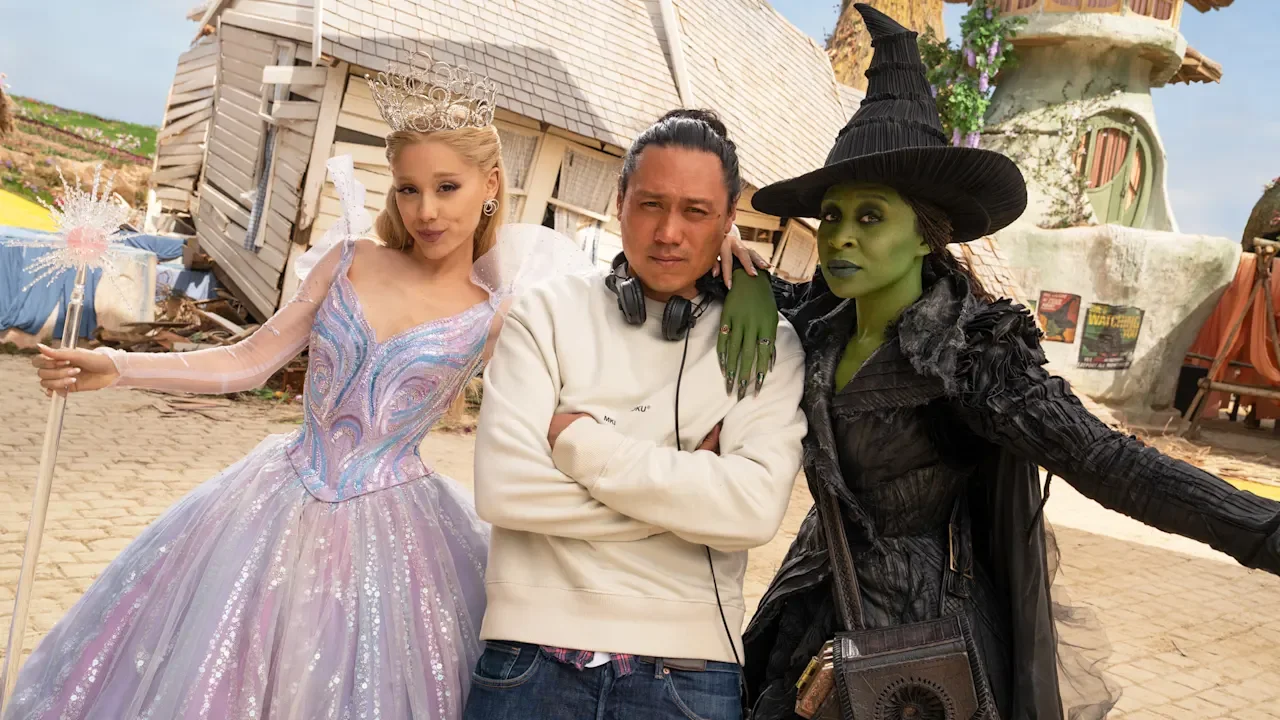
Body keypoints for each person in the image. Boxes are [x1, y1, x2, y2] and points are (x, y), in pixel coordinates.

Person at [714, 6, 1280, 720]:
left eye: (870, 217)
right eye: (832, 214)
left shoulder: (971, 354)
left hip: (920, 648)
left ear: (926, 236)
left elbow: (1111, 462)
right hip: (812, 611)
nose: (840, 237)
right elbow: (677, 268)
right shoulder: (814, 325)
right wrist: (741, 275)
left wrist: (1265, 532)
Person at [8, 55, 591, 719]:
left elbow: (555, 413)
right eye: (408, 189)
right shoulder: (350, 261)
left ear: (489, 185)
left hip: (394, 535)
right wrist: (118, 365)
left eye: (446, 188)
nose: (425, 211)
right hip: (274, 502)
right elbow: (250, 360)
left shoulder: (498, 315)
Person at [462, 109, 806, 720]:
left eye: (696, 211)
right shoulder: (543, 314)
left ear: (729, 220)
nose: (669, 232)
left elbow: (752, 509)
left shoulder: (763, 342)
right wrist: (686, 503)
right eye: (650, 204)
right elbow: (505, 491)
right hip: (529, 657)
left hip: (689, 672)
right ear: (619, 201)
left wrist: (580, 445)